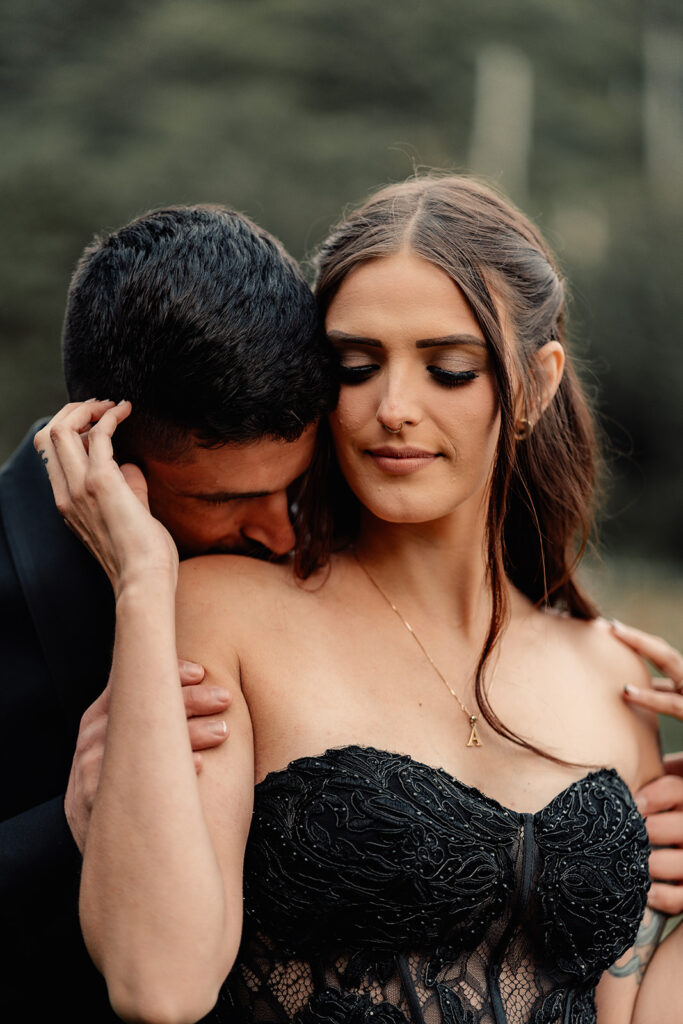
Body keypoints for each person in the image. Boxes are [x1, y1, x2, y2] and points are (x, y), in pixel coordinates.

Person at [38, 174, 683, 1024]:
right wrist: (143, 584)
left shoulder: (612, 674)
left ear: (532, 384)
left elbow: (636, 1010)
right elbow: (158, 983)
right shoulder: (218, 610)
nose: (392, 409)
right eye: (355, 366)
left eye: (447, 369)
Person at [0, 204, 333, 1019]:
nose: (281, 529)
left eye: (296, 485)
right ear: (108, 452)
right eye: (230, 500)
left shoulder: (329, 550)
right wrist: (71, 825)